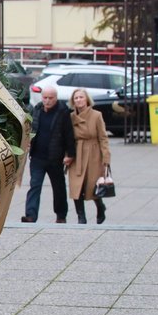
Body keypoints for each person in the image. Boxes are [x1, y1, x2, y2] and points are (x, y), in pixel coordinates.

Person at [21, 85, 75, 223]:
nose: (47, 101)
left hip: (55, 157)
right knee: (35, 185)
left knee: (58, 188)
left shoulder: (63, 112)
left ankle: (61, 215)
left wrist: (70, 154)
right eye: (45, 97)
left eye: (50, 98)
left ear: (55, 98)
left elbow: (69, 134)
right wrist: (28, 142)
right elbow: (31, 128)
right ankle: (31, 215)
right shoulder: (37, 109)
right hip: (37, 156)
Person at [67, 88, 111, 224]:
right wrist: (67, 155)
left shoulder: (96, 115)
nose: (79, 100)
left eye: (81, 97)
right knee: (76, 186)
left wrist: (106, 158)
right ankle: (81, 217)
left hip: (93, 153)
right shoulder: (70, 117)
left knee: (93, 185)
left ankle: (100, 207)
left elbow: (103, 137)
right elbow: (67, 137)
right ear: (73, 101)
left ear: (87, 99)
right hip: (77, 153)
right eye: (76, 98)